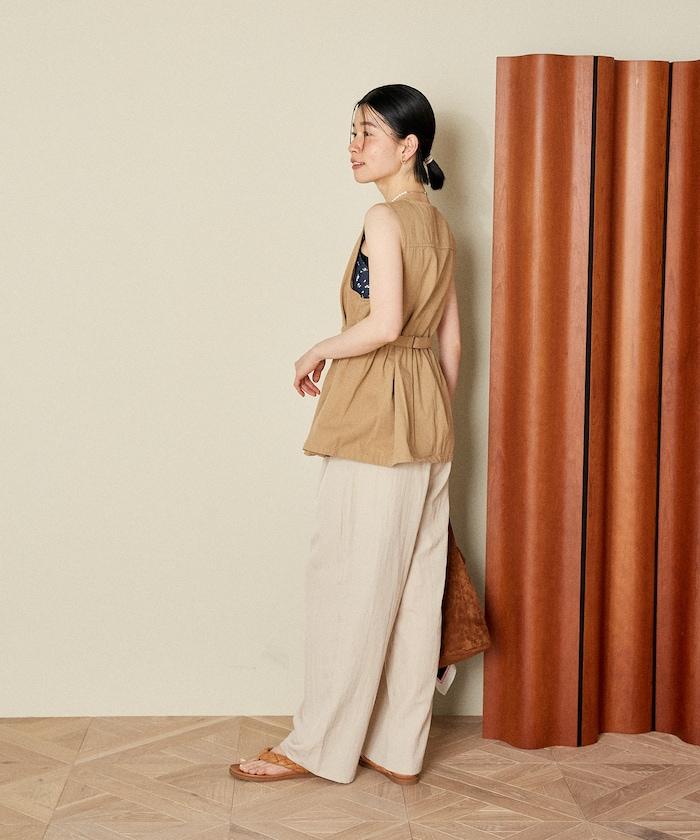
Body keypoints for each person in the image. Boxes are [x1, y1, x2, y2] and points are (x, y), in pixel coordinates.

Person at [230, 84, 461, 785]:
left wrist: (319, 349)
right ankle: (397, 747)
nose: (354, 146)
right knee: (413, 588)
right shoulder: (441, 227)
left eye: (368, 133)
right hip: (428, 420)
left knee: (348, 584)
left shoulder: (383, 218)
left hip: (374, 419)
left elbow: (385, 323)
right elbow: (451, 343)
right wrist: (432, 412)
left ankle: (318, 745)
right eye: (352, 133)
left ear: (408, 146)